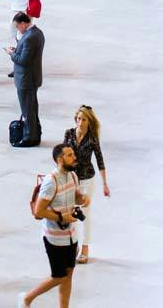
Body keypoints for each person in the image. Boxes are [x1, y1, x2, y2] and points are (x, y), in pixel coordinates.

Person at [20, 143, 88, 308]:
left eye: (73, 154)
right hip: (54, 238)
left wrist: (83, 199)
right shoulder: (51, 182)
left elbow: (76, 196)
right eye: (70, 155)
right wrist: (60, 216)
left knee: (69, 275)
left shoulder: (72, 176)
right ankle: (27, 298)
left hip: (71, 236)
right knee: (59, 277)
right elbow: (38, 211)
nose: (74, 158)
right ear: (59, 159)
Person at [61, 106, 109, 265]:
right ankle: (73, 245)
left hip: (87, 179)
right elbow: (62, 155)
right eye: (79, 119)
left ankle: (85, 246)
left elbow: (100, 160)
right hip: (71, 178)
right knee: (71, 212)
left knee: (84, 213)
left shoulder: (92, 138)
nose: (80, 122)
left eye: (84, 119)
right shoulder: (69, 133)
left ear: (89, 122)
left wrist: (105, 184)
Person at [9, 11, 45, 147]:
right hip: (32, 77)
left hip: (26, 79)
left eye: (18, 26)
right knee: (32, 107)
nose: (18, 29)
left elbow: (24, 60)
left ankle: (30, 137)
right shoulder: (38, 33)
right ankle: (35, 134)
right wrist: (17, 50)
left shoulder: (29, 37)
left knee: (27, 109)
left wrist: (12, 54)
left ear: (24, 23)